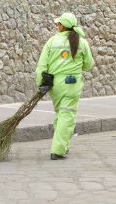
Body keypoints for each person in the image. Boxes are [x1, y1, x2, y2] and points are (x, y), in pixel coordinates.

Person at [35, 13, 94, 160]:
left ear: (62, 26)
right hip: (72, 84)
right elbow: (88, 65)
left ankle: (64, 145)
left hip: (55, 85)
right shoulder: (82, 42)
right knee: (67, 115)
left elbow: (42, 66)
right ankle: (58, 150)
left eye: (58, 24)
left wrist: (40, 84)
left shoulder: (51, 41)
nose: (57, 26)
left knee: (60, 114)